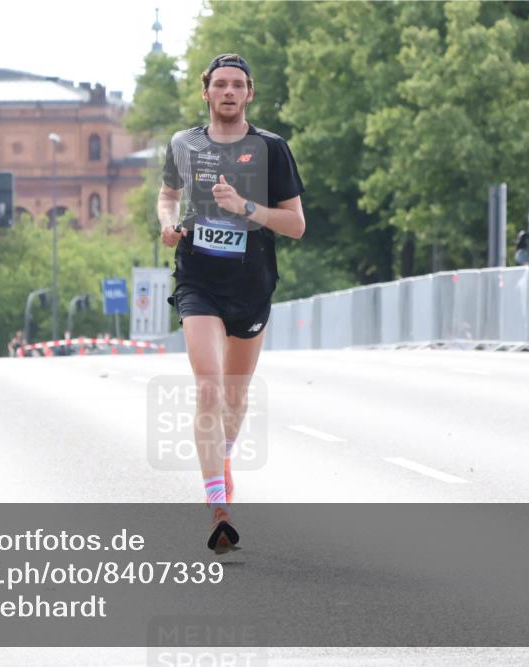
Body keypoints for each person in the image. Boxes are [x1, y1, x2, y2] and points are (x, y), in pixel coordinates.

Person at [157, 53, 305, 552]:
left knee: (236, 398)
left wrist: (244, 208)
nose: (227, 91)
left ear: (248, 94)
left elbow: (296, 224)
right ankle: (218, 506)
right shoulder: (184, 143)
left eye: (237, 85)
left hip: (252, 285)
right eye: (219, 84)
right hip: (198, 279)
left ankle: (221, 462)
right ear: (206, 92)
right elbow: (166, 193)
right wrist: (166, 222)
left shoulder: (272, 149)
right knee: (208, 387)